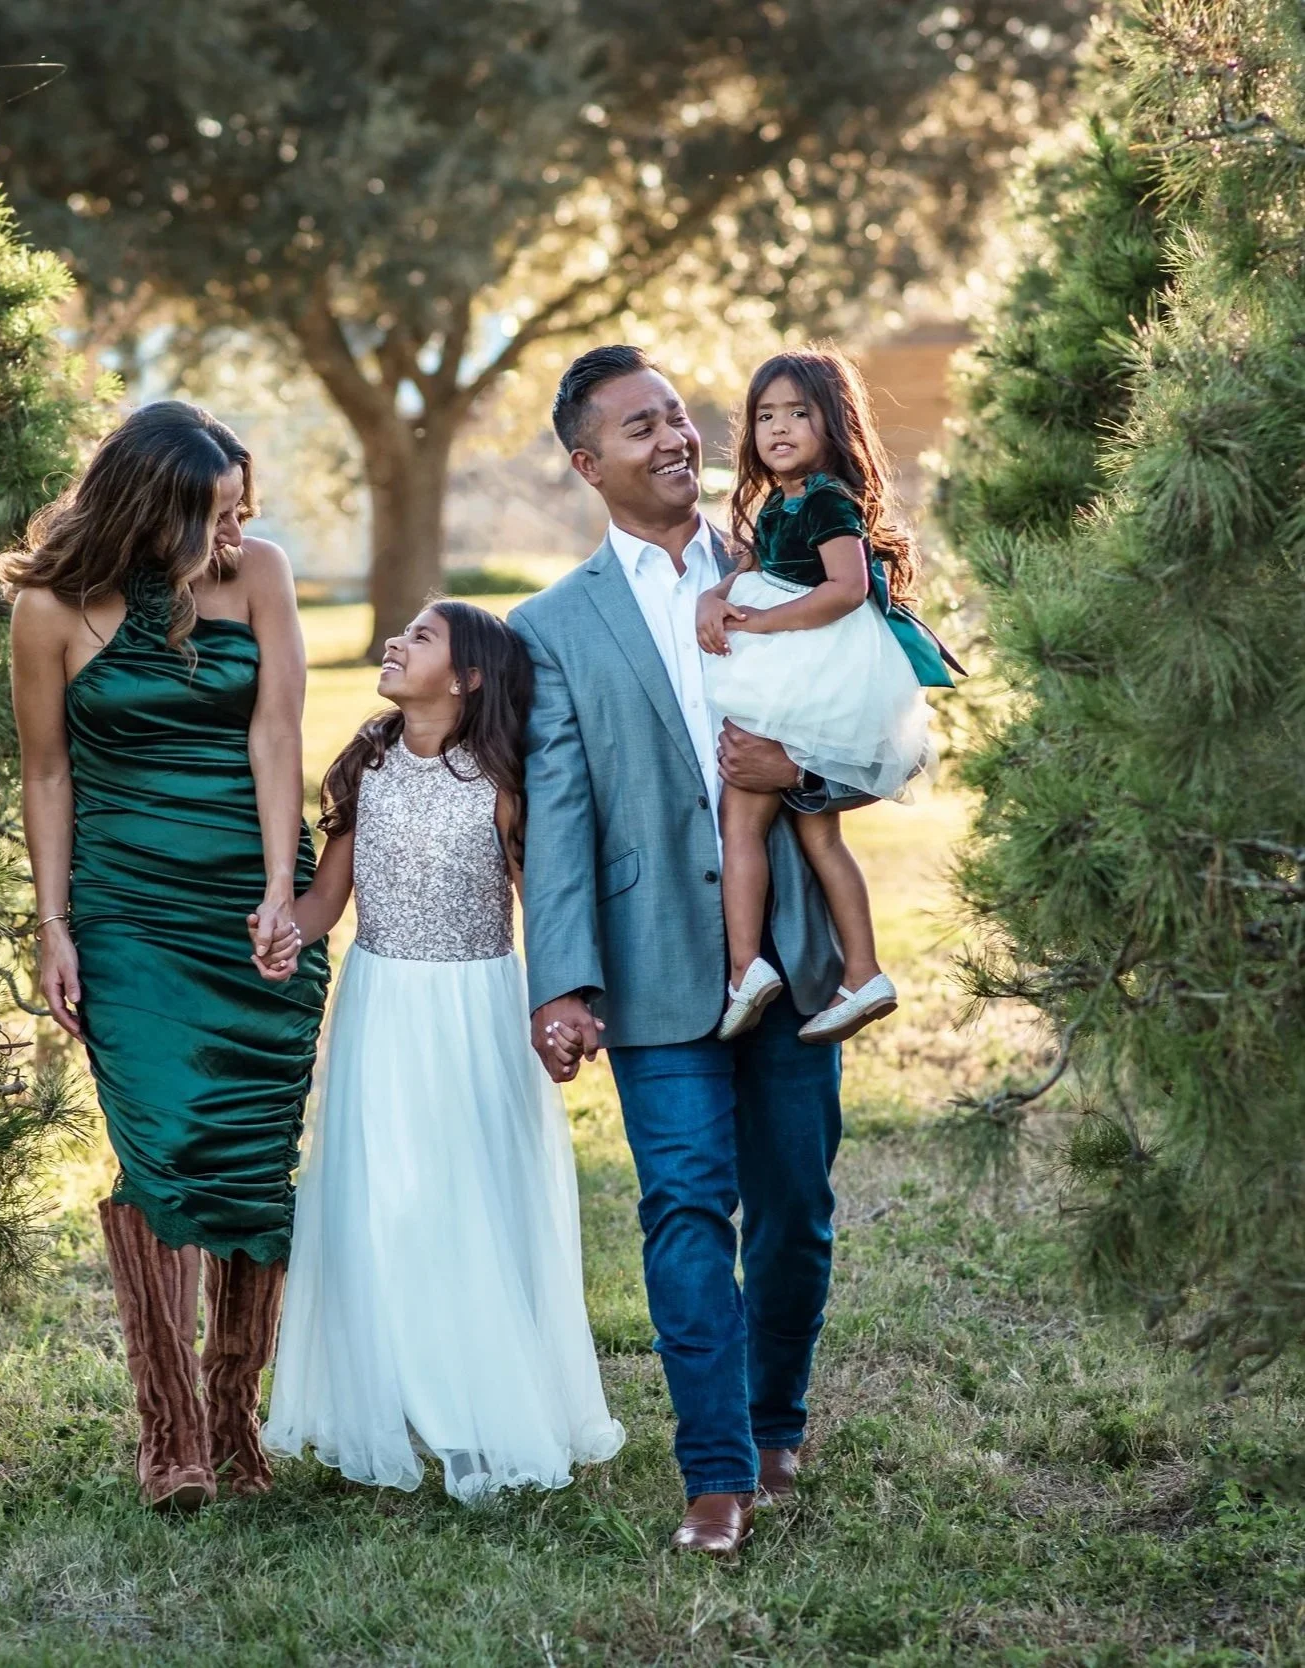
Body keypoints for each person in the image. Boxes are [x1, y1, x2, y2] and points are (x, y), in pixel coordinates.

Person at [509, 344, 862, 1557]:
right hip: (653, 958)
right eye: (638, 427)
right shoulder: (548, 628)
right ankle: (715, 1473)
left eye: (677, 416)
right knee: (681, 1209)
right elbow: (555, 811)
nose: (674, 439)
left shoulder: (784, 566)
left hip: (795, 953)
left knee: (796, 1211)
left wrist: (798, 773)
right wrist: (561, 976)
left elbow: (869, 729)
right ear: (586, 462)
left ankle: (777, 1421)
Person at [2, 402, 328, 1512]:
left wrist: (283, 893)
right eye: (216, 518)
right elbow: (47, 775)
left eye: (243, 513)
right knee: (163, 1147)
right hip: (128, 911)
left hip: (246, 899)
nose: (234, 537)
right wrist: (53, 926)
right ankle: (170, 1433)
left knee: (247, 1153)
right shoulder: (49, 608)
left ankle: (234, 1421)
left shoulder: (260, 576)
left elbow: (276, 729)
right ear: (151, 513)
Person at [254, 601, 625, 1503]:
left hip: (474, 1011)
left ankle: (477, 1407)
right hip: (381, 1006)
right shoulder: (369, 765)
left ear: (466, 680)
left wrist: (561, 1005)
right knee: (382, 1200)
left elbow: (545, 905)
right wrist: (282, 932)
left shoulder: (498, 780)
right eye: (404, 632)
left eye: (422, 638)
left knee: (468, 1197)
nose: (397, 643)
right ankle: (385, 1400)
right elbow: (325, 903)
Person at [696, 348, 944, 1045]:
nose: (778, 427)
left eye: (797, 413)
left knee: (741, 819)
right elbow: (750, 566)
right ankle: (862, 971)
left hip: (809, 672)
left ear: (832, 422)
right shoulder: (782, 500)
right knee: (815, 831)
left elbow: (845, 587)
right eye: (765, 415)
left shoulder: (830, 499)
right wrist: (716, 598)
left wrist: (763, 621)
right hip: (799, 670)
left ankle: (747, 968)